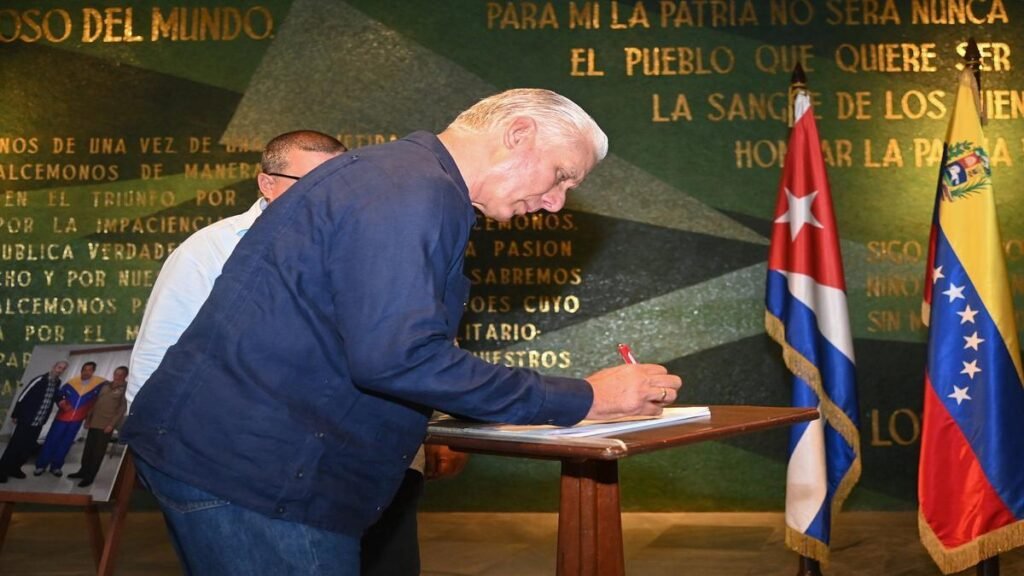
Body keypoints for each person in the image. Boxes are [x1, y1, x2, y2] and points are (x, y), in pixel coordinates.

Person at [122, 89, 682, 576]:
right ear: (518, 134)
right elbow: (399, 357)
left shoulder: (399, 178)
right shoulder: (410, 190)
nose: (557, 202)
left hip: (243, 467)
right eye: (561, 176)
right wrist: (585, 398)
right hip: (260, 478)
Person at [0, 360, 68, 483]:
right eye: (59, 367)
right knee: (15, 445)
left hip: (39, 421)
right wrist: (16, 413)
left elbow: (55, 396)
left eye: (63, 369)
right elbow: (23, 395)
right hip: (27, 419)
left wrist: (61, 400)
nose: (60, 370)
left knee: (27, 447)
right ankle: (2, 471)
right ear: (53, 366)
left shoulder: (58, 383)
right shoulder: (40, 379)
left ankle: (15, 468)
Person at [34, 361, 106, 477]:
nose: (86, 372)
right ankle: (41, 465)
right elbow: (58, 395)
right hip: (61, 418)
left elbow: (101, 397)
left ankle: (56, 467)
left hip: (76, 421)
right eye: (84, 369)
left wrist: (88, 418)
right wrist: (61, 402)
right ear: (81, 370)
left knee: (66, 444)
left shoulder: (98, 385)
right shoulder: (71, 383)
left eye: (89, 370)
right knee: (51, 441)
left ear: (93, 371)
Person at [69, 365, 128, 488]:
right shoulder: (105, 385)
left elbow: (122, 409)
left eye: (120, 374)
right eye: (115, 373)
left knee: (98, 452)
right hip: (94, 421)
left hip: (106, 425)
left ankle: (90, 477)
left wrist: (111, 425)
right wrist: (88, 419)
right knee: (88, 450)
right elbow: (95, 402)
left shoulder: (125, 389)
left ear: (125, 376)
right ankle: (82, 471)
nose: (117, 376)